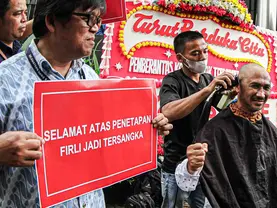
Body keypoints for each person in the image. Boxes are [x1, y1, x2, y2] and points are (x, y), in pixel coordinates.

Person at [0, 0, 173, 207]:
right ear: (52, 21)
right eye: (88, 18)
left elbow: (105, 139)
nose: (95, 27)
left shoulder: (91, 77)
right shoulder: (5, 79)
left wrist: (146, 128)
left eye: (99, 20)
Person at [174, 63, 277, 207]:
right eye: (255, 86)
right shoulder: (216, 129)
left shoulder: (270, 129)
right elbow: (188, 182)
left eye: (266, 87)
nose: (261, 94)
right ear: (238, 88)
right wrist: (191, 166)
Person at [159, 31, 234, 208]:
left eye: (205, 51)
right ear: (180, 57)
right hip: (175, 162)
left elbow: (222, 106)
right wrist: (207, 90)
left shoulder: (207, 79)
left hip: (200, 162)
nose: (202, 57)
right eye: (195, 53)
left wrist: (231, 96)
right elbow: (169, 111)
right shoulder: (173, 81)